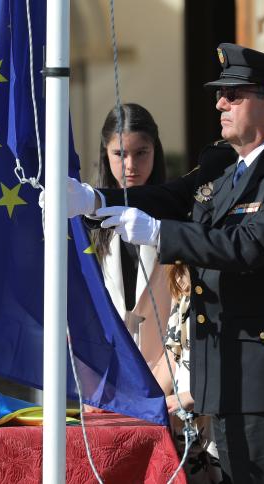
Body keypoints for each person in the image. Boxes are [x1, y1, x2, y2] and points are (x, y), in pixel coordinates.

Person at [59, 43, 264, 483]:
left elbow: (248, 246)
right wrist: (96, 199)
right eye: (221, 94)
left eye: (233, 94)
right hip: (222, 372)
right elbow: (172, 196)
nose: (220, 103)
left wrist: (161, 234)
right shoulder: (225, 165)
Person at [91, 103, 172, 370]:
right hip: (103, 369)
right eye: (120, 154)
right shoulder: (87, 217)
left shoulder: (177, 212)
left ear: (155, 151)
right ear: (105, 154)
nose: (130, 166)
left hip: (165, 368)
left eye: (141, 153)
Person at [153, 263, 223, 483]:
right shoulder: (182, 286)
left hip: (218, 422)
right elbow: (172, 357)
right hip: (185, 427)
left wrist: (193, 397)